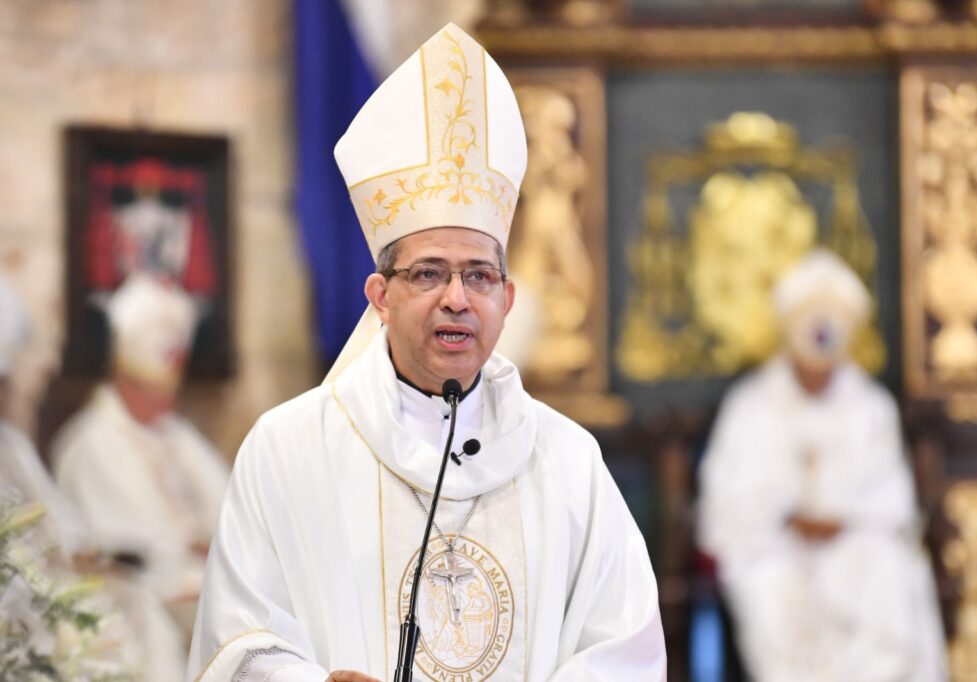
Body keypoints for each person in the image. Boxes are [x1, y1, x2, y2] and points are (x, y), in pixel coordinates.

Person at [188, 23, 666, 682]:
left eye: (479, 276)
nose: (457, 298)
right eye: (428, 273)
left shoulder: (568, 461)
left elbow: (625, 649)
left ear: (508, 297)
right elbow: (237, 644)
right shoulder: (289, 449)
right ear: (379, 296)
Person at [697, 249, 947, 682]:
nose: (818, 377)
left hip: (854, 543)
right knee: (771, 589)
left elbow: (895, 501)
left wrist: (843, 522)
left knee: (888, 574)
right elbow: (724, 502)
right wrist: (789, 518)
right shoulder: (751, 406)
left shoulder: (871, 407)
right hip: (775, 546)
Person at [0, 275, 186, 681]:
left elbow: (64, 530)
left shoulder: (11, 444)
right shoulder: (90, 443)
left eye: (5, 384)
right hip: (17, 610)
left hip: (49, 591)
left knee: (133, 611)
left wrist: (79, 553)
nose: (8, 395)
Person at [52, 272, 229, 631]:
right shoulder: (90, 444)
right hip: (140, 614)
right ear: (122, 377)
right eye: (150, 388)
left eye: (168, 389)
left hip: (208, 592)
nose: (164, 400)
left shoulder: (177, 433)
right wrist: (197, 553)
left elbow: (232, 508)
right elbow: (127, 553)